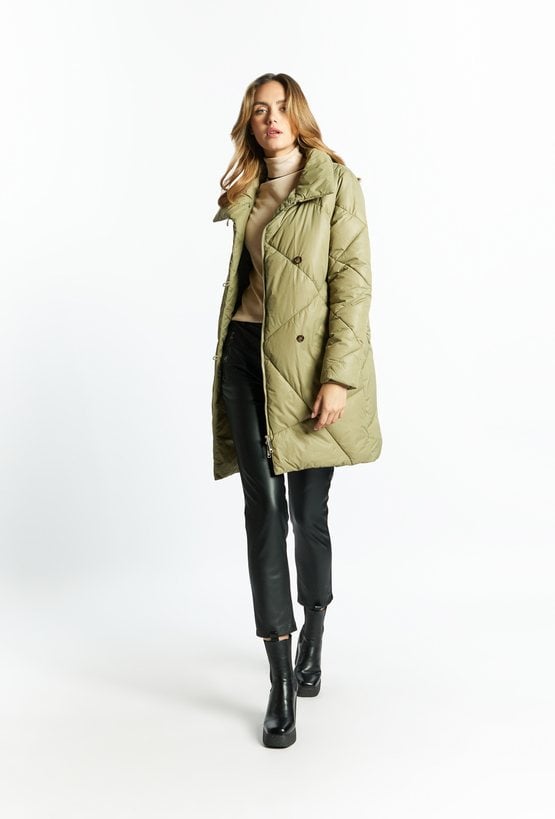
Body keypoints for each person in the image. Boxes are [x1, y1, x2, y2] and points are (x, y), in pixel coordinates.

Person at [211, 72, 382, 748]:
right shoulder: (247, 190)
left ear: (298, 114)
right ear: (248, 124)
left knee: (308, 516)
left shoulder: (336, 185)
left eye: (281, 107)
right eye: (259, 110)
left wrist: (338, 377)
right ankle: (280, 679)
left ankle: (314, 625)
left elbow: (352, 285)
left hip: (309, 374)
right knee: (264, 513)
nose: (270, 118)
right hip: (244, 359)